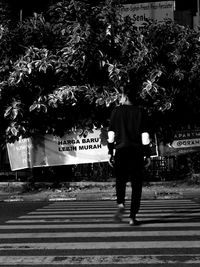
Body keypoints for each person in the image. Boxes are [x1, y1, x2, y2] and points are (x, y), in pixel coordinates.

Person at [107, 83, 151, 226]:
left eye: (120, 96)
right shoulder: (140, 111)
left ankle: (120, 204)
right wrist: (147, 155)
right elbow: (145, 136)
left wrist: (110, 152)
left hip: (121, 151)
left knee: (120, 181)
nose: (119, 98)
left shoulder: (116, 111)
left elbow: (111, 135)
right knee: (136, 185)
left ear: (125, 97)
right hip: (136, 152)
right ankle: (132, 217)